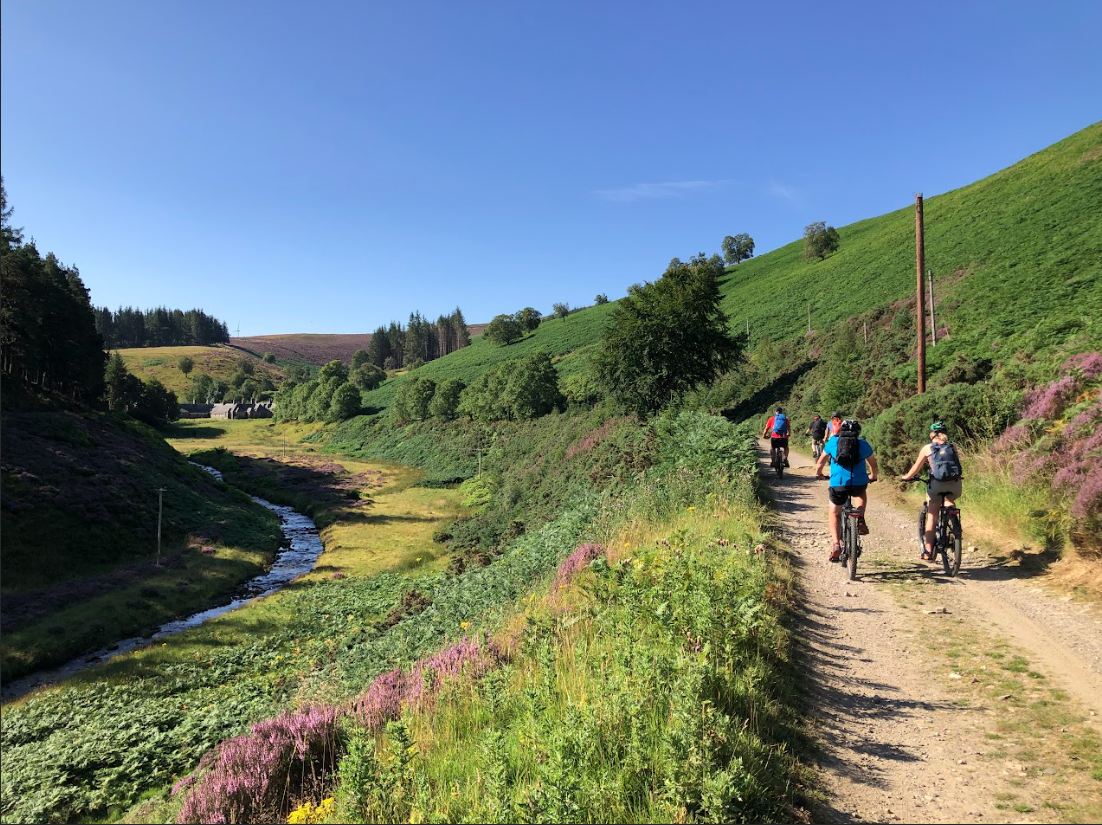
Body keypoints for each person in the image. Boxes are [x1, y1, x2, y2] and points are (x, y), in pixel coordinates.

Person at [814, 418, 879, 562]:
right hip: (859, 482)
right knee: (861, 493)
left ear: (840, 431)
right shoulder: (863, 444)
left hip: (839, 483)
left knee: (834, 512)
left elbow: (820, 463)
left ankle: (836, 544)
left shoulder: (833, 442)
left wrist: (819, 474)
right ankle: (860, 517)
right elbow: (873, 465)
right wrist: (873, 476)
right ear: (858, 431)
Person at [901, 421, 964, 560]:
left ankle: (928, 551)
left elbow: (916, 468)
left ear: (932, 434)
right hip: (955, 485)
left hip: (937, 486)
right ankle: (951, 513)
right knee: (949, 499)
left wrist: (906, 477)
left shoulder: (927, 448)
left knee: (932, 516)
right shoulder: (952, 447)